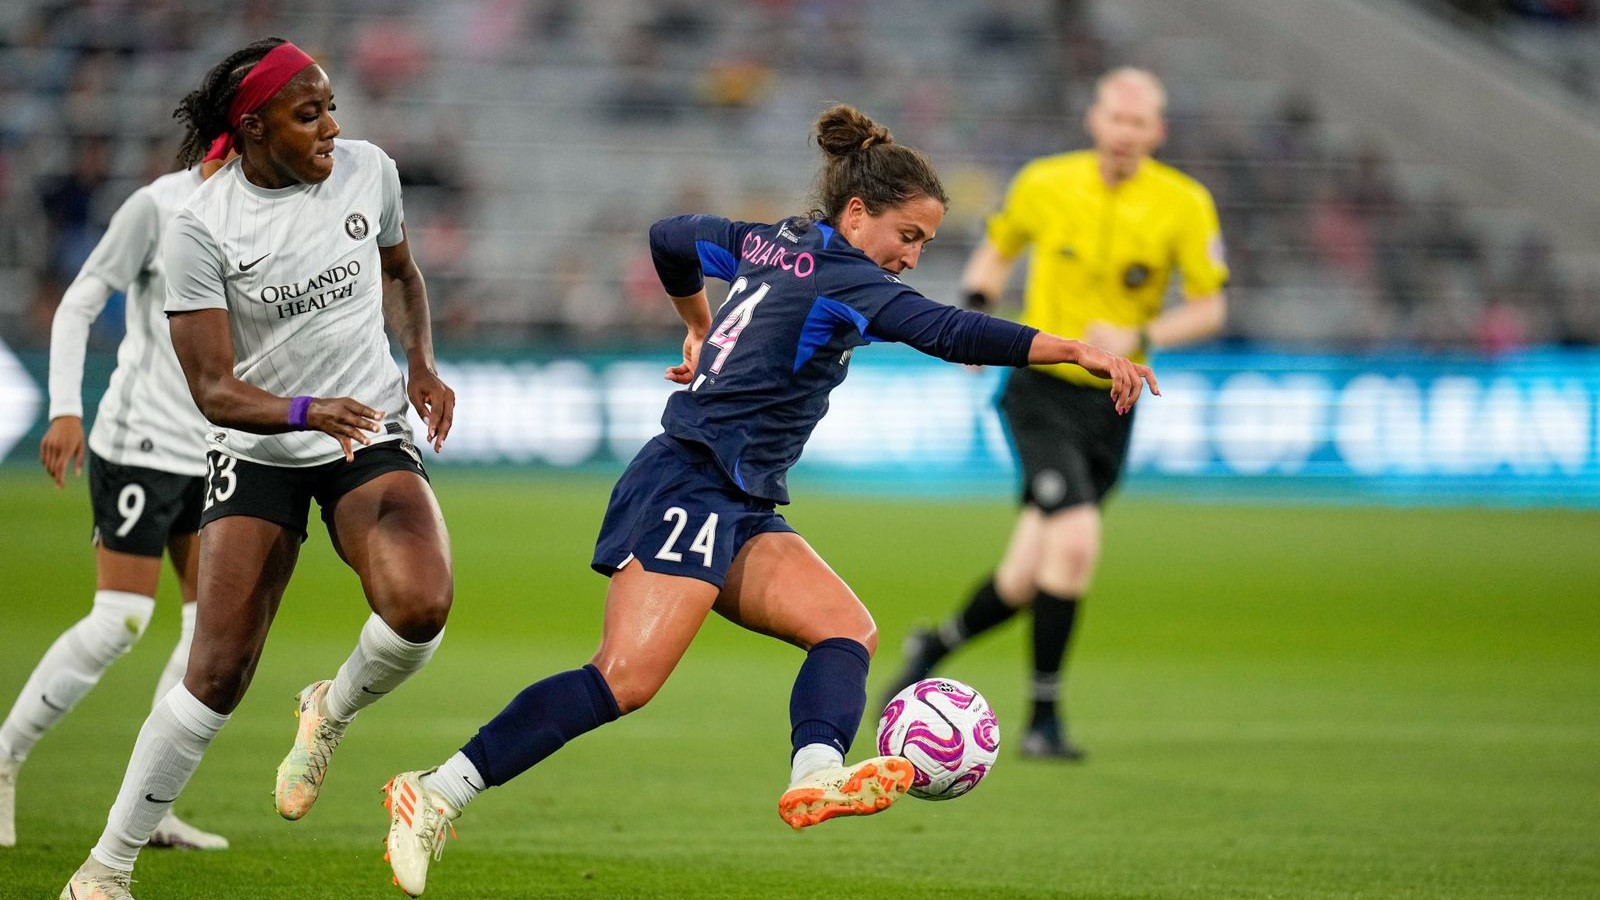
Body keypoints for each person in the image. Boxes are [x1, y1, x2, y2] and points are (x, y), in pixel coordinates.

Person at [377, 104, 1157, 898]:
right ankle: (436, 792)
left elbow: (671, 238)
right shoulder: (852, 280)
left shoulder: (773, 240)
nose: (915, 257)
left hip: (739, 496)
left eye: (925, 243)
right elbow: (950, 331)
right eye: (910, 237)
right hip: (690, 479)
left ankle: (816, 771)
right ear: (858, 214)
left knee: (846, 628)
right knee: (623, 679)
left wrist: (698, 327)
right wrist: (1075, 350)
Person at [62, 38, 457, 900]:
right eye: (308, 114)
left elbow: (402, 272)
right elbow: (212, 389)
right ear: (252, 128)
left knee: (422, 605)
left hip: (367, 434)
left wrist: (420, 364)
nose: (332, 128)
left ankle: (331, 710)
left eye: (332, 108)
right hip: (260, 449)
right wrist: (309, 411)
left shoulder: (367, 171)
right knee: (216, 674)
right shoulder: (200, 228)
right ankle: (104, 870)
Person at [880, 67, 1229, 760]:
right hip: (1038, 388)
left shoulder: (1186, 204)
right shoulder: (1046, 182)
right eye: (1116, 119)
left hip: (1113, 402)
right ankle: (1043, 721)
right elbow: (998, 249)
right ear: (1095, 120)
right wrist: (976, 312)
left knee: (1023, 577)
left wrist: (1144, 336)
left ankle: (935, 643)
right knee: (1074, 541)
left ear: (1156, 132)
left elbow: (1213, 306)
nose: (1126, 134)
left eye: (1140, 124)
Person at [1, 160, 232, 854]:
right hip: (141, 442)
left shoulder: (268, 208)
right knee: (120, 621)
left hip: (216, 447)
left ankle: (149, 808)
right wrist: (65, 408)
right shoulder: (158, 206)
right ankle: (4, 760)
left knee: (209, 636)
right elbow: (80, 300)